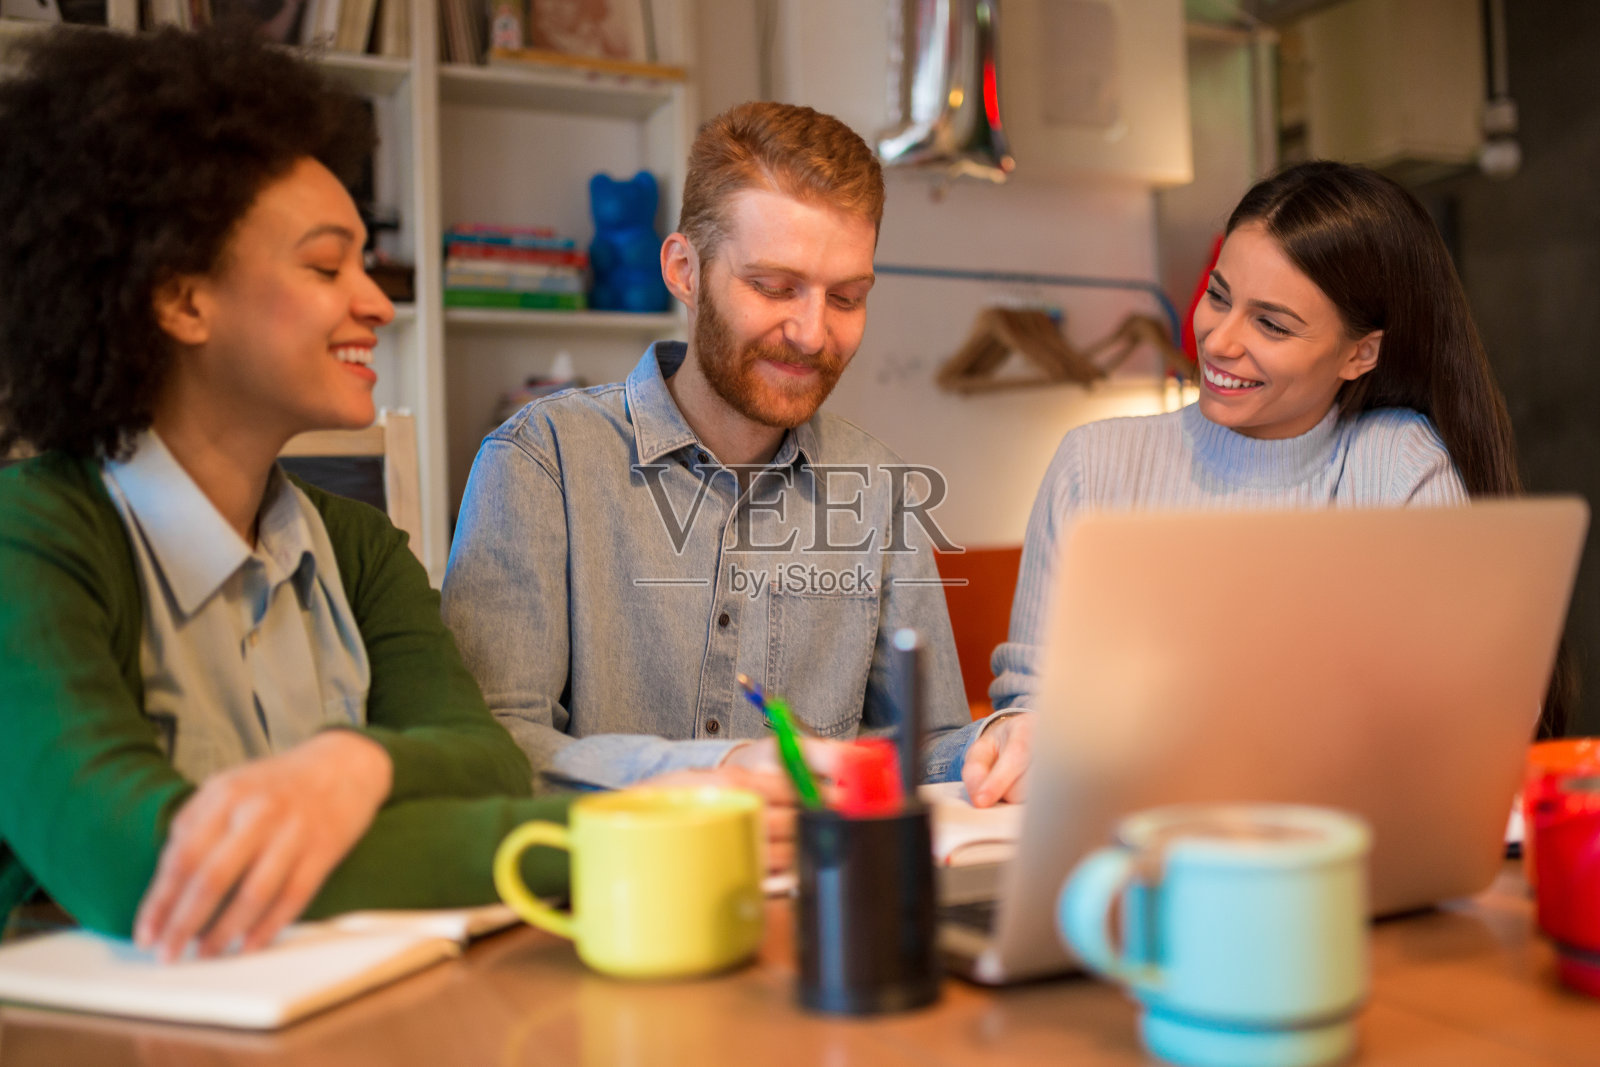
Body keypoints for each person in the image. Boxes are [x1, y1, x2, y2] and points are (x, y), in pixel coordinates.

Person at [0, 26, 585, 963]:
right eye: (325, 267)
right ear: (181, 298)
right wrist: (597, 848)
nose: (377, 303)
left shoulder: (360, 548)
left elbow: (487, 767)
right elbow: (145, 867)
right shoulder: (29, 538)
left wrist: (351, 767)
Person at [442, 101, 1034, 814]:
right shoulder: (540, 463)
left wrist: (994, 743)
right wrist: (718, 768)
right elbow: (490, 746)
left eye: (845, 297)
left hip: (814, 905)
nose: (813, 333)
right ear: (684, 271)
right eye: (774, 287)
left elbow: (915, 750)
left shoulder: (880, 489)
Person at [991, 159, 1571, 736]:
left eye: (1272, 325)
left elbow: (1485, 707)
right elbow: (1031, 702)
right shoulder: (1095, 464)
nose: (1219, 341)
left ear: (1360, 355)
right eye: (1219, 296)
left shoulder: (1397, 464)